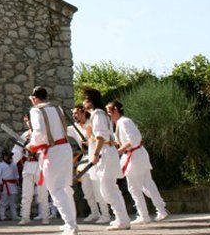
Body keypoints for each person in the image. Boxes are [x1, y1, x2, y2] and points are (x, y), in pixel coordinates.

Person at [25, 86, 78, 235]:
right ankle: (71, 223)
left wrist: (32, 145)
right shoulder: (57, 109)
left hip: (53, 151)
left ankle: (71, 225)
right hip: (65, 148)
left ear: (35, 98)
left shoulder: (35, 110)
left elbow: (39, 131)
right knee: (66, 187)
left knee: (56, 189)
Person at [107, 100, 168, 224]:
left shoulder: (124, 122)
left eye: (109, 111)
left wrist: (120, 150)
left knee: (135, 187)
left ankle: (145, 215)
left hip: (134, 156)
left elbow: (134, 139)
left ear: (115, 110)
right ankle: (160, 210)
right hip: (136, 155)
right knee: (147, 184)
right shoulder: (121, 123)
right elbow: (125, 140)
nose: (108, 114)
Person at [82, 88, 130, 231]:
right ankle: (121, 219)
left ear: (90, 101)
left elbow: (101, 136)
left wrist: (96, 154)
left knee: (108, 190)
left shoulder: (98, 114)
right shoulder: (98, 115)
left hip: (105, 153)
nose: (83, 102)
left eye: (85, 99)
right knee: (109, 189)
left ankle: (122, 220)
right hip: (106, 152)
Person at [66, 106, 110, 223]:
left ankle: (105, 214)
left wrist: (90, 142)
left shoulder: (93, 123)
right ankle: (95, 212)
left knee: (97, 188)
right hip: (86, 159)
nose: (74, 116)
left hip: (96, 157)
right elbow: (61, 130)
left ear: (83, 112)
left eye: (76, 113)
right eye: (73, 114)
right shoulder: (73, 128)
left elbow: (102, 138)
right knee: (87, 190)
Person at [12, 114, 49, 225]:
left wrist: (39, 154)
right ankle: (25, 217)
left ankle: (45, 217)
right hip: (28, 166)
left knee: (43, 194)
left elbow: (48, 147)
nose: (28, 123)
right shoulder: (25, 135)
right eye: (26, 121)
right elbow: (17, 150)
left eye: (30, 120)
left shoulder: (43, 133)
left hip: (40, 165)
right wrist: (12, 160)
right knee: (26, 194)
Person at [0, 151, 19, 221]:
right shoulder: (0, 165)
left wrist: (17, 180)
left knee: (13, 202)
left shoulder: (14, 165)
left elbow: (16, 174)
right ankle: (2, 216)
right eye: (7, 156)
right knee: (3, 202)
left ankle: (15, 216)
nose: (9, 158)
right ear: (4, 157)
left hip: (13, 185)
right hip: (5, 185)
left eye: (10, 156)